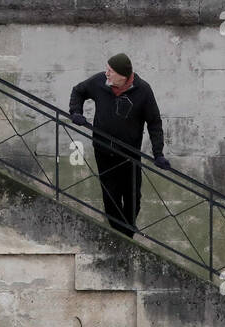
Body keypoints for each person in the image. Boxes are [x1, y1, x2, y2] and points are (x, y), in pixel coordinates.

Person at [69, 53, 171, 239]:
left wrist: (158, 153)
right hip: (104, 151)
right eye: (107, 69)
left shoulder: (143, 91)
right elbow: (78, 91)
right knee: (111, 199)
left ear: (123, 76)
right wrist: (76, 112)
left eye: (111, 71)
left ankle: (126, 236)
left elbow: (154, 123)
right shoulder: (99, 82)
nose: (106, 73)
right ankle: (121, 239)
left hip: (129, 155)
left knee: (133, 199)